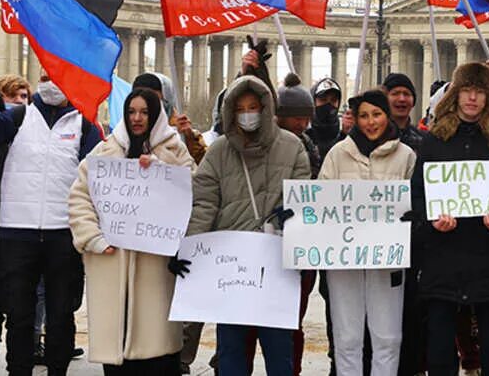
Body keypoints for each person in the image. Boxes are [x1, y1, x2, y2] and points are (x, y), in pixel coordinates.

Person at [0, 66, 100, 376]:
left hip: (63, 234)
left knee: (61, 314)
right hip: (16, 234)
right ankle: (18, 370)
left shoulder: (86, 125)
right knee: (19, 316)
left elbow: (99, 176)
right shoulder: (17, 117)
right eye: (46, 77)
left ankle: (57, 370)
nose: (51, 83)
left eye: (58, 78)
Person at [178, 75, 310, 376]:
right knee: (232, 351)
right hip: (232, 268)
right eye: (241, 108)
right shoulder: (219, 151)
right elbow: (204, 204)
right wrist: (190, 249)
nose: (248, 114)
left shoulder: (293, 147)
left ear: (266, 109)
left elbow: (303, 199)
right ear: (230, 112)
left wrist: (294, 219)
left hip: (277, 265)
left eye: (254, 107)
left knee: (279, 352)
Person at [409, 62, 489, 376]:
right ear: (455, 95)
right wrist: (430, 222)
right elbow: (417, 194)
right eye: (466, 90)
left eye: (479, 91)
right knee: (440, 348)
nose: (472, 98)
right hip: (443, 256)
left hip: (488, 255)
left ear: (488, 97)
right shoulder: (433, 140)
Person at [67, 88, 193, 375]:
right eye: (132, 112)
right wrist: (93, 239)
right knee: (117, 352)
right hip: (112, 264)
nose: (137, 118)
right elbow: (79, 198)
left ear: (156, 114)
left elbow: (191, 195)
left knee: (158, 352)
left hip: (157, 267)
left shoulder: (175, 151)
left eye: (145, 112)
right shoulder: (104, 151)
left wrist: (162, 173)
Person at [319, 89, 417, 376]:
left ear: (387, 116)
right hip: (344, 258)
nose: (370, 122)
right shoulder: (338, 154)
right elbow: (320, 199)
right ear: (355, 119)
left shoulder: (406, 156)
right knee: (347, 337)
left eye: (376, 114)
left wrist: (412, 216)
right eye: (363, 115)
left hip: (388, 259)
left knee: (387, 338)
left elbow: (418, 200)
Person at [274, 75, 323, 376]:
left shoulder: (309, 147)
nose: (302, 124)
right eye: (296, 117)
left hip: (300, 244)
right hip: (268, 241)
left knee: (294, 320)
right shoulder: (267, 145)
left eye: (306, 118)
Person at [131, 73, 206, 165]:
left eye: (152, 102)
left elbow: (204, 170)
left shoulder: (184, 137)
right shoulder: (119, 140)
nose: (138, 117)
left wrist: (190, 141)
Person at [307, 77, 344, 168]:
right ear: (313, 102)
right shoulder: (304, 136)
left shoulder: (345, 137)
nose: (328, 104)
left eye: (333, 100)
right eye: (323, 100)